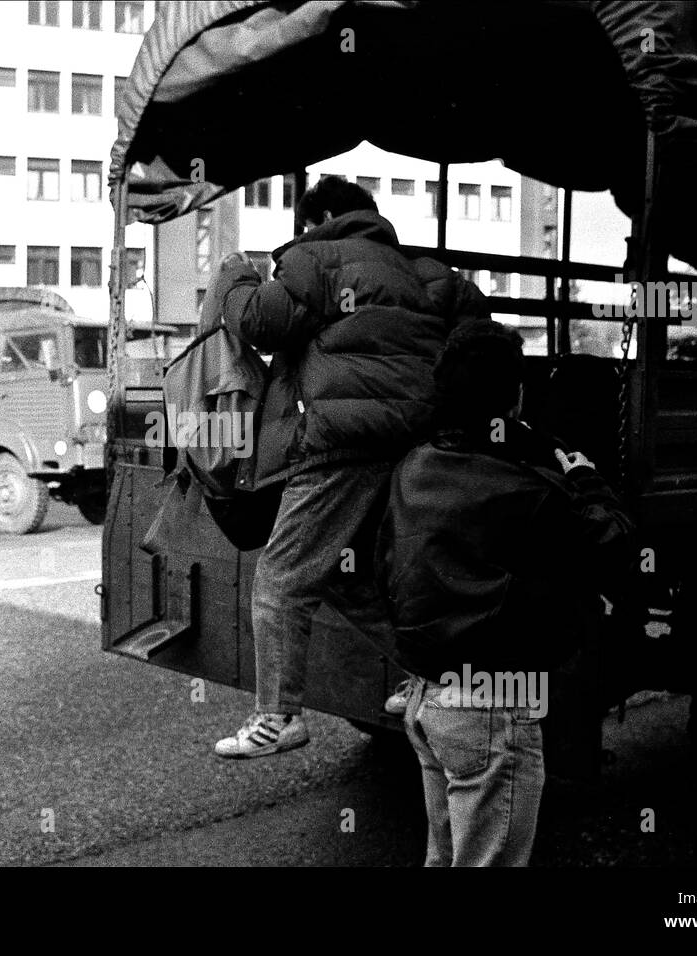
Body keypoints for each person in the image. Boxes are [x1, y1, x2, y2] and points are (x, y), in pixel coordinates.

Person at [209, 175, 491, 758]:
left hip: (341, 444)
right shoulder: (432, 275)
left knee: (281, 578)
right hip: (417, 452)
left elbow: (261, 322)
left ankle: (278, 716)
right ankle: (432, 674)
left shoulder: (316, 259)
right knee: (351, 574)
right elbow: (478, 335)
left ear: (321, 219)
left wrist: (236, 277)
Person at [378, 321, 635, 865]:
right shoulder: (529, 489)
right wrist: (585, 476)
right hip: (491, 707)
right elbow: (613, 543)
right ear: (516, 399)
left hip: (428, 698)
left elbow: (386, 569)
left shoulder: (412, 467)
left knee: (445, 858)